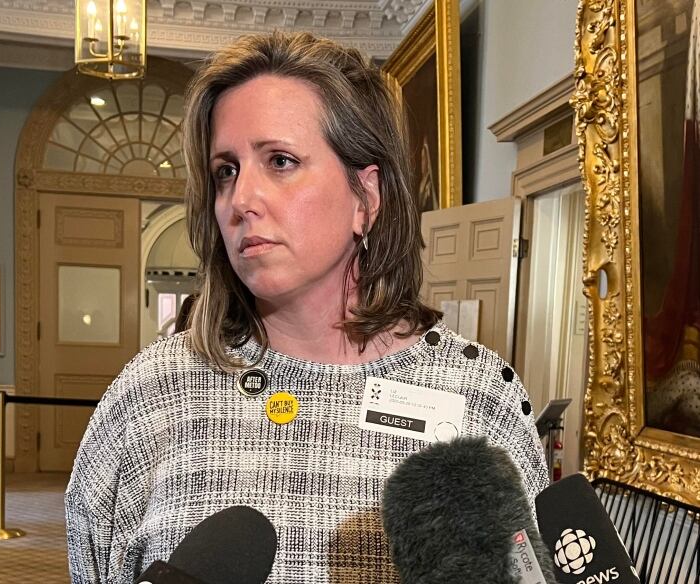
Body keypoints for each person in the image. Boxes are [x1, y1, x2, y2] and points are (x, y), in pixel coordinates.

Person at [65, 31, 548, 583]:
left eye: (281, 161)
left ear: (365, 197)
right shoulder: (151, 397)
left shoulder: (481, 399)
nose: (242, 200)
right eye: (226, 170)